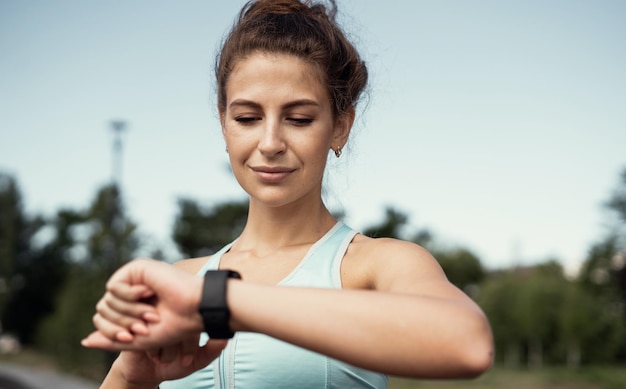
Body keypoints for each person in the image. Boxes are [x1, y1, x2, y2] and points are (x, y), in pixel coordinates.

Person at [81, 0, 494, 387]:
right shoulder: (181, 280)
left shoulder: (374, 265)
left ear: (339, 127)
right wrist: (132, 377)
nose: (271, 142)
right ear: (224, 125)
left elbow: (468, 343)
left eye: (298, 118)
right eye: (247, 117)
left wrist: (221, 301)